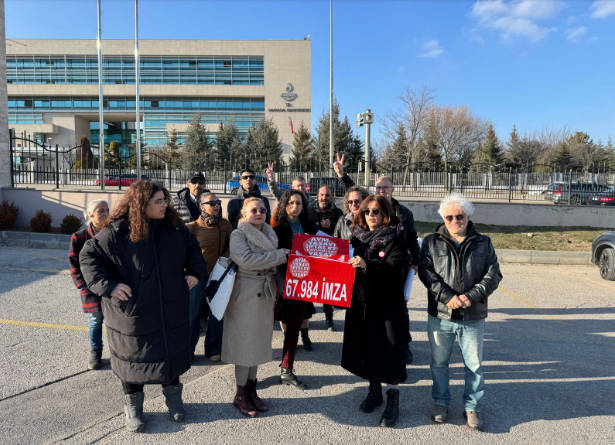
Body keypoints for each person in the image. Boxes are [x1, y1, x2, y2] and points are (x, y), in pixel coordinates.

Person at [79, 181, 207, 433]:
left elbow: (194, 249)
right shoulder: (117, 232)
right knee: (133, 358)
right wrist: (109, 286)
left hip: (170, 306)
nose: (164, 205)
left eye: (164, 200)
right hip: (131, 312)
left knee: (169, 352)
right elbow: (88, 257)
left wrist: (195, 273)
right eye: (158, 201)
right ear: (140, 204)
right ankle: (134, 407)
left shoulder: (174, 228)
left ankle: (173, 399)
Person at [418, 194, 502, 432]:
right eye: (449, 217)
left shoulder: (483, 242)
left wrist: (470, 296)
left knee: (474, 365)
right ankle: (441, 402)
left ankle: (472, 407)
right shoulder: (431, 242)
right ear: (443, 218)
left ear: (468, 216)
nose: (455, 220)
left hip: (473, 315)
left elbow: (493, 275)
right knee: (439, 364)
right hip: (441, 315)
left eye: (460, 216)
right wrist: (448, 297)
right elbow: (426, 273)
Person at [334, 153, 419, 363]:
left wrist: (415, 262)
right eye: (379, 188)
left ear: (392, 190)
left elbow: (411, 238)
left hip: (394, 265)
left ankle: (403, 344)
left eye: (385, 188)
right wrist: (342, 176)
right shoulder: (366, 217)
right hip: (369, 270)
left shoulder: (403, 213)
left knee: (399, 308)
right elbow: (355, 193)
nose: (382, 191)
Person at [343, 195, 409, 428]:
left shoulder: (395, 238)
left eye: (376, 212)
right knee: (367, 347)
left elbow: (395, 269)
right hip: (363, 303)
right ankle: (374, 391)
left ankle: (393, 400)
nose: (371, 216)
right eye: (366, 212)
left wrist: (367, 265)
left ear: (385, 215)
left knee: (390, 351)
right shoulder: (357, 238)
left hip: (387, 306)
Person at [223, 197, 289, 417]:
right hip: (245, 295)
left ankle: (251, 390)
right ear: (244, 213)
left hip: (265, 294)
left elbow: (268, 264)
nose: (259, 212)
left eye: (262, 209)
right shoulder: (238, 234)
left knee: (258, 345)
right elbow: (248, 261)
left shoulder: (269, 232)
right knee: (244, 347)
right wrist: (280, 256)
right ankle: (240, 394)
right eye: (254, 209)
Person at [272, 190, 316, 388]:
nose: (295, 206)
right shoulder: (278, 228)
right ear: (284, 205)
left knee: (293, 328)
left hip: (303, 284)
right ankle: (249, 371)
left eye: (298, 203)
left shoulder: (309, 226)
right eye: (290, 203)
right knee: (266, 325)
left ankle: (286, 369)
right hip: (281, 284)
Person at [186, 192, 233, 362]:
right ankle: (187, 351)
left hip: (218, 277)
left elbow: (232, 244)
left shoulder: (225, 225)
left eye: (218, 202)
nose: (216, 205)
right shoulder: (192, 228)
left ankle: (213, 349)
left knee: (217, 314)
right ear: (201, 207)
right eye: (211, 203)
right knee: (192, 316)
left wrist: (224, 259)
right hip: (197, 278)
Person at [68, 199, 110, 370]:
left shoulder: (113, 233)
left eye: (107, 210)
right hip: (91, 287)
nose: (106, 213)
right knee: (96, 319)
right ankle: (96, 353)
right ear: (90, 215)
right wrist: (82, 286)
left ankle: (119, 352)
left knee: (117, 321)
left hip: (113, 286)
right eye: (101, 211)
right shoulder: (79, 237)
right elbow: (73, 263)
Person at [307, 185, 344, 331]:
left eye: (327, 195)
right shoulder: (309, 211)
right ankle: (305, 322)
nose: (324, 198)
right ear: (317, 196)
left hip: (330, 253)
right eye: (322, 195)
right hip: (312, 253)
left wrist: (332, 224)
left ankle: (329, 319)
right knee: (308, 287)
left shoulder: (338, 212)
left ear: (332, 197)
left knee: (326, 288)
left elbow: (343, 229)